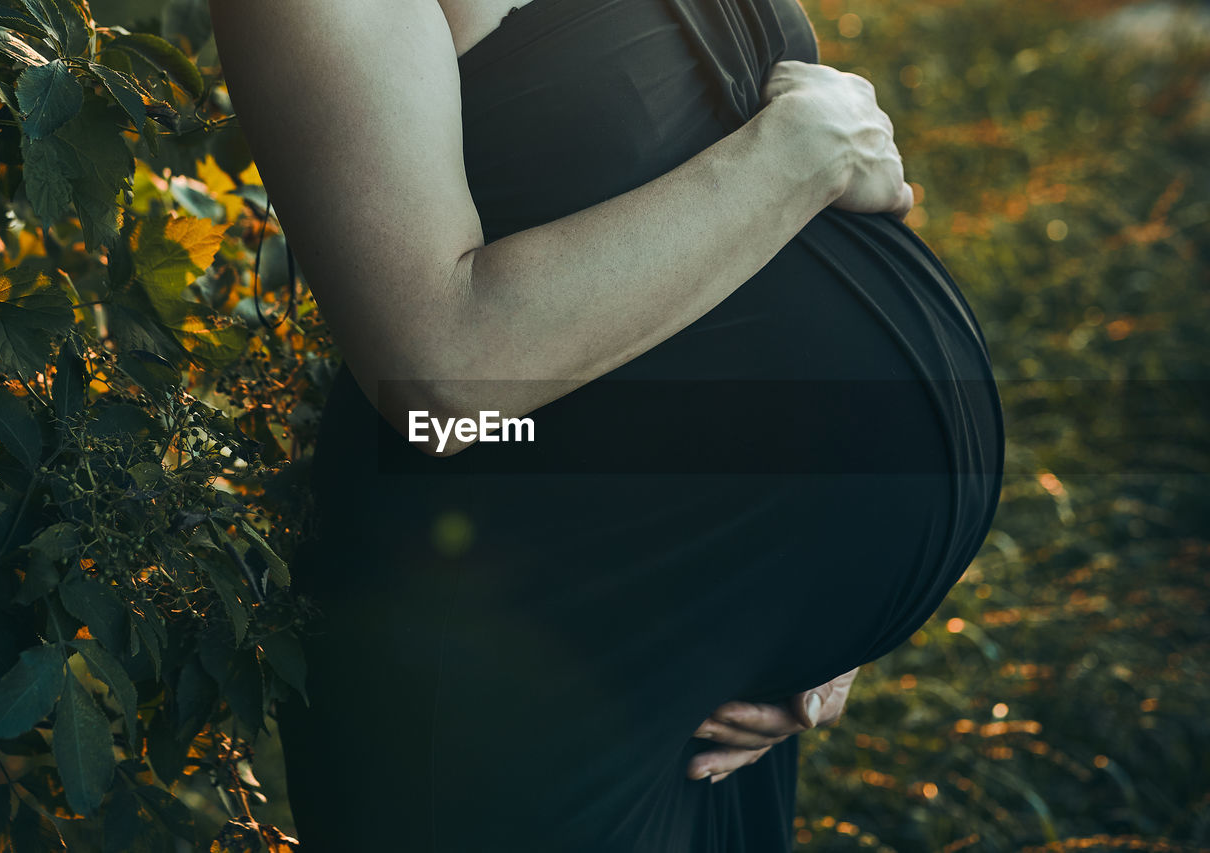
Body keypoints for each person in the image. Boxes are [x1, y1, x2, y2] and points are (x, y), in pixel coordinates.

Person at [208, 0, 1005, 849]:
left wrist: (823, 604)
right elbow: (439, 367)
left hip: (702, 664)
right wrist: (799, 154)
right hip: (518, 645)